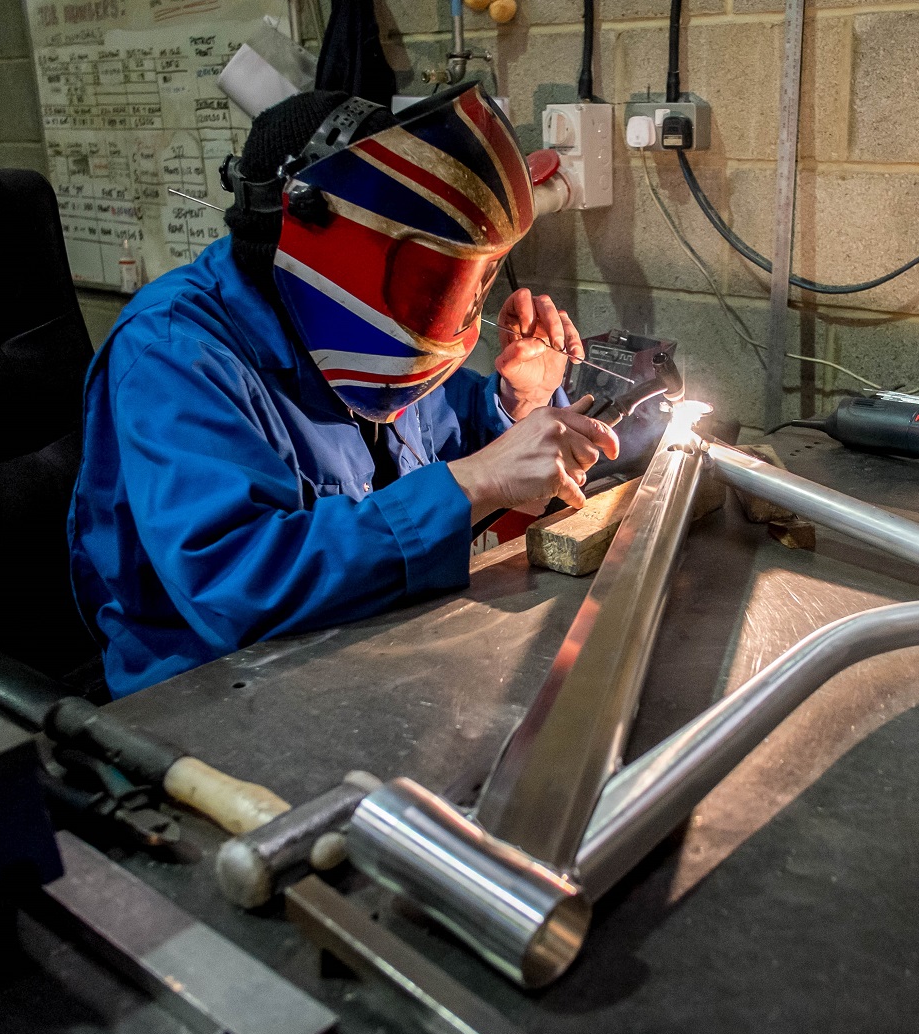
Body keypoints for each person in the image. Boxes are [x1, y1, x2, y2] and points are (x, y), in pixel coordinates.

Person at [69, 84, 618, 698]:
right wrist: (472, 483)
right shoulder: (176, 357)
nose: (456, 308)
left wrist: (514, 406)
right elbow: (238, 586)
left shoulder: (373, 348)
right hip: (205, 696)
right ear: (344, 256)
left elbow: (443, 430)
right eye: (432, 282)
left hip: (362, 650)